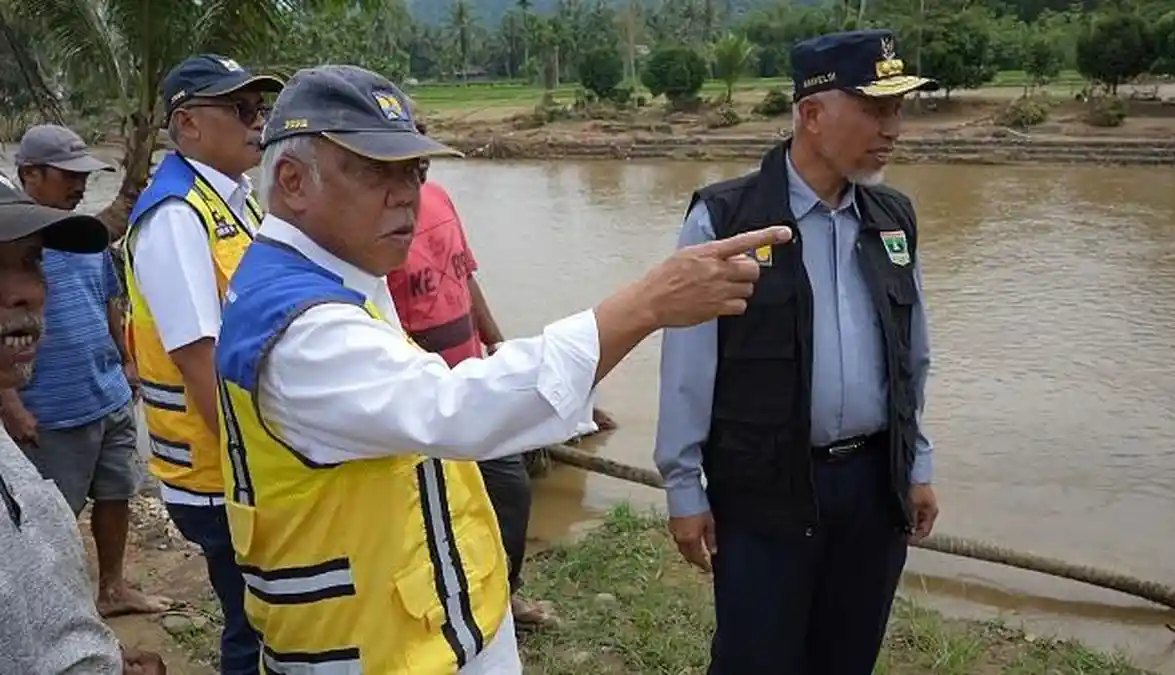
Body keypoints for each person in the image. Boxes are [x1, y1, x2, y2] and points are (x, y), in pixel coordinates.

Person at [212, 64, 787, 674]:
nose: (407, 192)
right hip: (371, 652)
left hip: (427, 627)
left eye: (416, 169)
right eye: (378, 170)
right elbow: (458, 408)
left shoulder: (335, 275)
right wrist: (645, 305)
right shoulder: (301, 325)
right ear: (294, 182)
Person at [653, 29, 941, 674]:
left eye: (897, 109)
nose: (892, 127)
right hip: (764, 490)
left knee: (848, 653)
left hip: (873, 488)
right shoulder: (727, 220)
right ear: (812, 114)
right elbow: (687, 368)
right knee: (757, 657)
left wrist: (916, 462)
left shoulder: (892, 218)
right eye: (873, 108)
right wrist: (683, 487)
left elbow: (913, 354)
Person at [387, 123, 616, 630]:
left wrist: (498, 344)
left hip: (475, 378)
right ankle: (433, 612)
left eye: (422, 162)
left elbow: (464, 277)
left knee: (509, 493)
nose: (416, 174)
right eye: (403, 164)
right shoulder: (375, 227)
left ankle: (504, 595)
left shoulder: (441, 200)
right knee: (426, 513)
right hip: (422, 396)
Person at [124, 54, 281, 675]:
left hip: (244, 457)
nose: (257, 122)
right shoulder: (176, 217)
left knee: (270, 616)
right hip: (222, 473)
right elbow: (200, 362)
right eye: (240, 110)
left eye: (259, 109)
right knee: (256, 625)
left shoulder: (237, 201)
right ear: (188, 125)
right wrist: (264, 468)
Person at [1, 125, 170, 619]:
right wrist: (12, 406)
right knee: (50, 517)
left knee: (117, 493)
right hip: (51, 410)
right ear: (30, 174)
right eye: (68, 174)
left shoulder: (86, 238)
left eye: (84, 176)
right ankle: (56, 614)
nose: (79, 185)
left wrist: (128, 363)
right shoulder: (12, 244)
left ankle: (112, 589)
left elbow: (109, 300)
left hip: (108, 394)